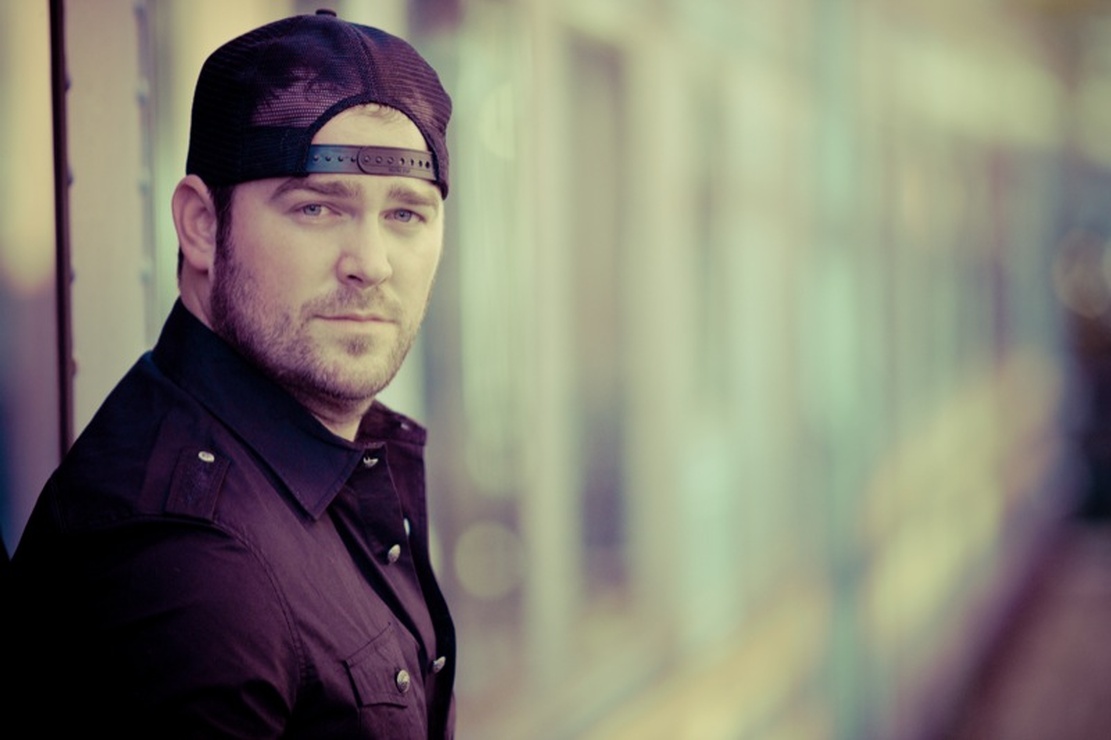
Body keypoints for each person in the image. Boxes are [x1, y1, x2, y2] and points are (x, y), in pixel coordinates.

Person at [3, 11, 456, 738]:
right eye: (317, 207)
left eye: (406, 214)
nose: (370, 264)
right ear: (201, 225)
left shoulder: (329, 452)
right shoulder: (185, 564)